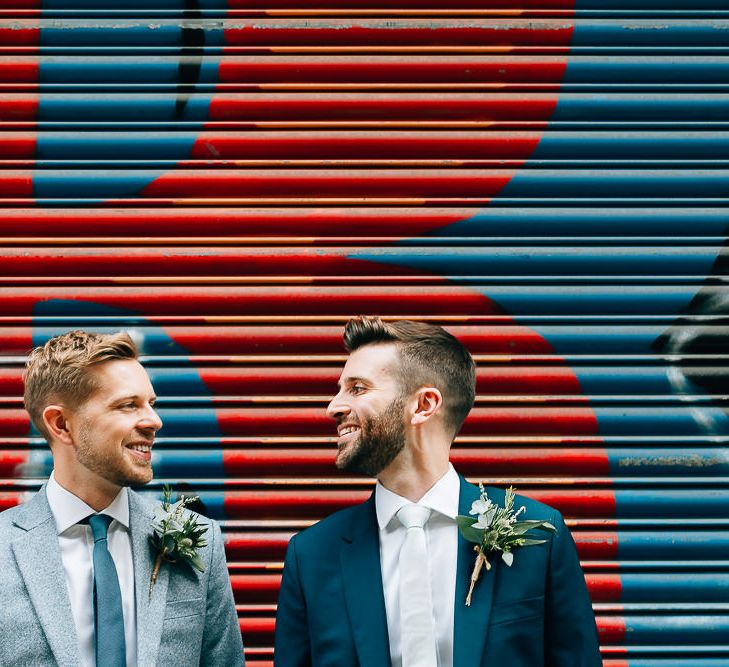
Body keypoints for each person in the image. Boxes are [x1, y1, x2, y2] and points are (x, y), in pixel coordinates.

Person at [274, 317, 601, 666]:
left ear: (424, 405)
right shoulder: (311, 555)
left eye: (357, 388)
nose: (333, 408)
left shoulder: (540, 536)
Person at [0, 330, 244, 667]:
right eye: (128, 405)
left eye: (151, 404)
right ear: (61, 425)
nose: (153, 421)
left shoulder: (202, 543)